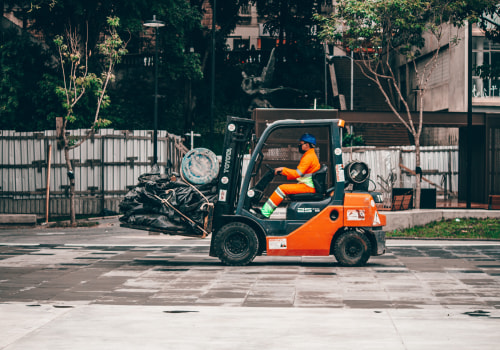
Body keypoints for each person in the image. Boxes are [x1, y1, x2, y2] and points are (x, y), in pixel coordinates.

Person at [260, 133, 320, 218]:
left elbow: (297, 174)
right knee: (283, 188)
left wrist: (283, 170)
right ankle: (265, 212)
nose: (299, 146)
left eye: (300, 144)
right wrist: (283, 171)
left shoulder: (309, 157)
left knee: (282, 189)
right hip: (308, 185)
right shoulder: (310, 155)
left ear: (307, 145)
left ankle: (264, 214)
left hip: (308, 187)